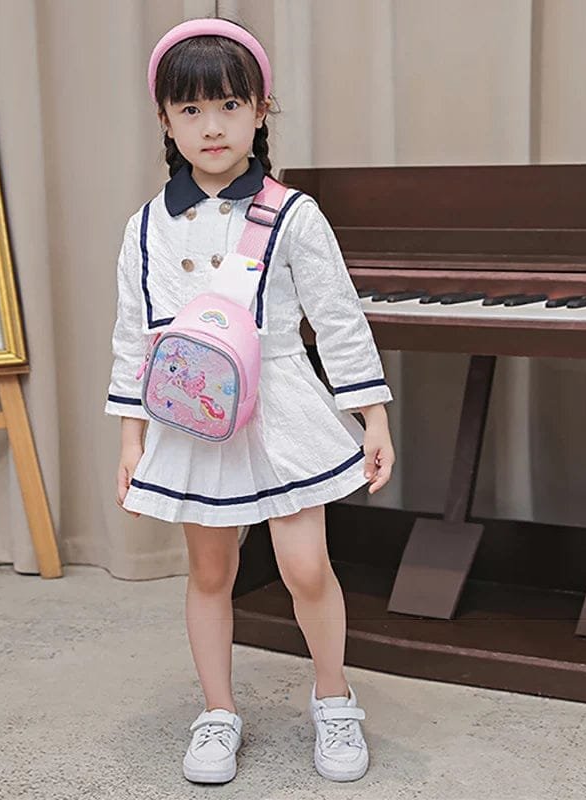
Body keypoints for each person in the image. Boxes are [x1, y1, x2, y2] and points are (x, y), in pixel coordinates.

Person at [105, 16, 395, 786]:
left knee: (305, 567)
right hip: (192, 418)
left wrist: (372, 415)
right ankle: (217, 712)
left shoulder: (292, 213)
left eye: (230, 106)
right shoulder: (144, 228)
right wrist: (132, 441)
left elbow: (335, 316)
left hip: (283, 408)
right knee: (209, 573)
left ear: (261, 110)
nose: (212, 126)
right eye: (191, 110)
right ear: (165, 118)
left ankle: (333, 698)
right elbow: (137, 338)